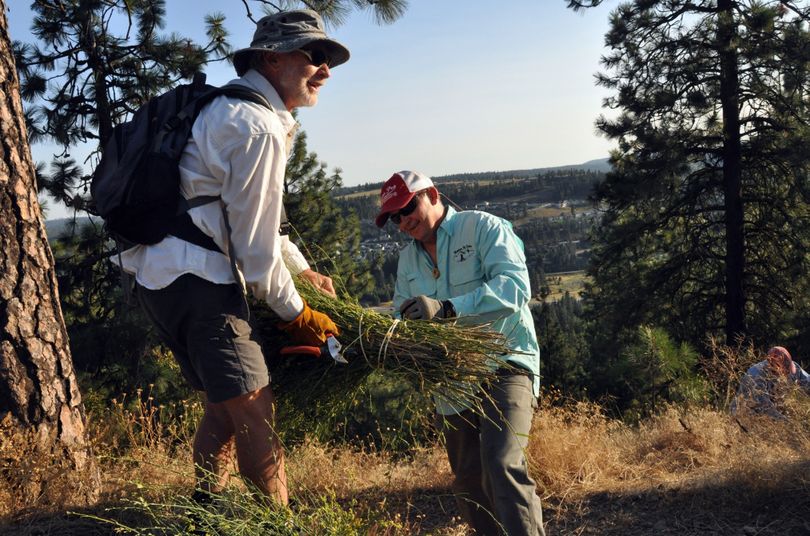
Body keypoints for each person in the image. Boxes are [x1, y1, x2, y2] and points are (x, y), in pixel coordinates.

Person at [120, 9, 349, 504]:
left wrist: (301, 267)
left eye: (328, 58)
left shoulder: (226, 107)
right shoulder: (257, 126)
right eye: (315, 56)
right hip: (202, 287)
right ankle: (275, 525)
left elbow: (251, 221)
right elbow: (255, 251)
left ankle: (206, 515)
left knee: (224, 410)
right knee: (254, 413)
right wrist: (299, 313)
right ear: (271, 57)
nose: (326, 70)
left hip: (164, 279)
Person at [376, 171, 545, 535]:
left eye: (408, 207)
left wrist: (447, 308)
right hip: (450, 378)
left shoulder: (484, 228)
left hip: (505, 361)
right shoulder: (408, 261)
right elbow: (400, 318)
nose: (404, 220)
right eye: (395, 217)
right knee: (468, 481)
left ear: (433, 195)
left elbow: (515, 288)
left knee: (501, 463)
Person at [730, 346, 810, 419]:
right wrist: (789, 423)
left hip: (777, 411)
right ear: (772, 367)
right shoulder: (756, 375)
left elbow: (807, 382)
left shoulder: (795, 368)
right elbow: (764, 407)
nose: (786, 375)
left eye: (788, 370)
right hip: (746, 415)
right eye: (783, 372)